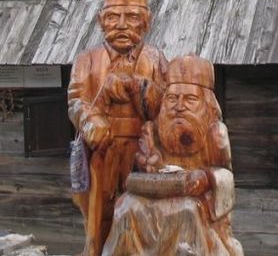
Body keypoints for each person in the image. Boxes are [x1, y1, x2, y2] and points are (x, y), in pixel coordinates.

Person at [102, 55, 243, 256]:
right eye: (172, 98)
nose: (179, 106)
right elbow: (142, 168)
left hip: (196, 200)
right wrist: (151, 164)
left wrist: (206, 178)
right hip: (157, 195)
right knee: (125, 205)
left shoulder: (215, 133)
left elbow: (226, 175)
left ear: (207, 104)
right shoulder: (153, 130)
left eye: (190, 99)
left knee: (186, 209)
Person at [68, 0, 168, 256]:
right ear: (101, 21)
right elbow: (76, 101)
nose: (122, 25)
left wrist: (136, 85)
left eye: (132, 17)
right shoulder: (86, 60)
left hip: (141, 151)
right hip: (102, 150)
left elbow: (164, 104)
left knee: (141, 209)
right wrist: (91, 121)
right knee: (100, 210)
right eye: (113, 17)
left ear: (146, 22)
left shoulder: (155, 59)